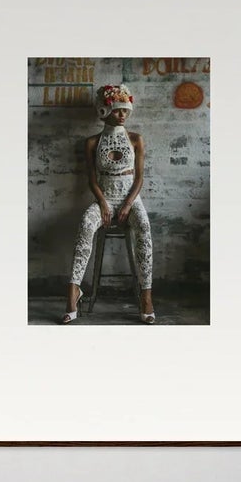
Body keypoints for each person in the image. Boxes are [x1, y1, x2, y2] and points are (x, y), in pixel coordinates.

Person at [62, 84, 155, 324]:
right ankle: (73, 293)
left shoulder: (136, 139)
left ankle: (146, 297)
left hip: (130, 200)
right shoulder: (92, 142)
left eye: (126, 110)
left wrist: (127, 205)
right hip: (104, 199)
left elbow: (139, 178)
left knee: (144, 227)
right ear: (105, 111)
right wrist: (103, 203)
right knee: (85, 224)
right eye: (117, 110)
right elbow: (92, 180)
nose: (122, 114)